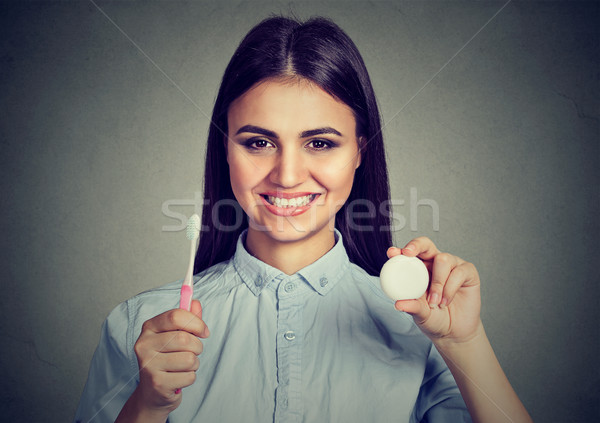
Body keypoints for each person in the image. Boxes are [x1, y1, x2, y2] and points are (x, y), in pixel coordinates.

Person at [74, 16, 533, 423]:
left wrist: (465, 344)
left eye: (320, 143)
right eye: (258, 142)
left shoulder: (423, 329)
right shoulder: (139, 326)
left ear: (359, 152)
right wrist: (147, 408)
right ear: (225, 150)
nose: (288, 175)